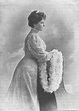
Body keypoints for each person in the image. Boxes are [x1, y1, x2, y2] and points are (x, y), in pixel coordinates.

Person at [7, 10, 58, 111]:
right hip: (28, 69)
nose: (44, 25)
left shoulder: (34, 36)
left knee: (30, 95)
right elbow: (42, 56)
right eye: (42, 23)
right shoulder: (33, 37)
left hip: (30, 67)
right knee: (28, 96)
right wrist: (53, 54)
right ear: (35, 23)